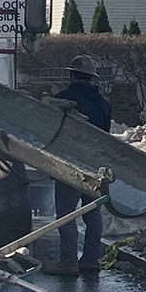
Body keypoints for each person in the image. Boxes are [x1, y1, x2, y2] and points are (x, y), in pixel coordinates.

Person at [46, 55, 111, 276]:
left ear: (72, 75)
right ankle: (91, 260)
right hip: (95, 167)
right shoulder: (104, 105)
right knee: (92, 215)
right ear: (91, 78)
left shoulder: (64, 99)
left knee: (66, 215)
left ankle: (68, 262)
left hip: (70, 165)